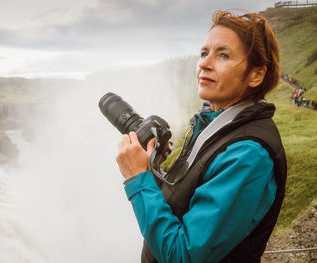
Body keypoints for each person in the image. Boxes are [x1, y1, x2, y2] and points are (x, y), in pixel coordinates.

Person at [115, 10, 287, 263]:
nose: (204, 63)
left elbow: (182, 255)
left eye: (223, 55)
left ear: (256, 74)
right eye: (204, 53)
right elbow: (182, 207)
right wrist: (152, 171)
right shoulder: (213, 124)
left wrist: (137, 178)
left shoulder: (248, 154)